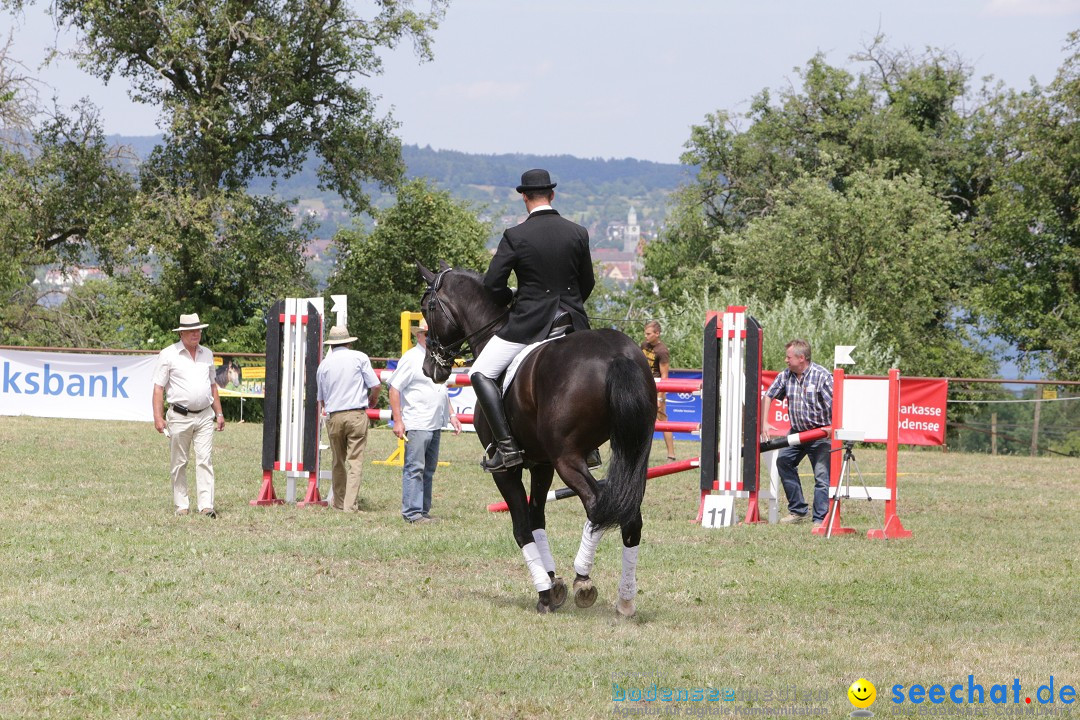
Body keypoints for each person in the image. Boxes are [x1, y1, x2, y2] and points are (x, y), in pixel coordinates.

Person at [469, 168, 595, 472]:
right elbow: (586, 283)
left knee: (480, 373)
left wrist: (511, 296)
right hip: (572, 322)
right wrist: (571, 306)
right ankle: (588, 449)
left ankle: (507, 447)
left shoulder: (516, 235)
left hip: (529, 323)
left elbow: (491, 285)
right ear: (552, 195)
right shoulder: (577, 232)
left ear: (524, 198)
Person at [389, 319, 463, 524]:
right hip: (418, 422)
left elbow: (442, 390)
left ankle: (422, 510)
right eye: (430, 334)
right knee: (415, 468)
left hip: (434, 421)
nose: (434, 338)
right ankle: (413, 513)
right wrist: (398, 420)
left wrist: (452, 415)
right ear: (419, 335)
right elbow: (394, 388)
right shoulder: (411, 358)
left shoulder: (436, 358)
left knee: (428, 469)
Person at [152, 313, 226, 518]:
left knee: (205, 459)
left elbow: (213, 385)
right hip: (179, 415)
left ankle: (206, 506)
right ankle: (181, 505)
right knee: (179, 462)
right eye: (192, 330)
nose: (197, 334)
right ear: (182, 333)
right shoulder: (168, 354)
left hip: (205, 415)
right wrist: (158, 417)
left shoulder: (207, 354)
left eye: (199, 330)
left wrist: (219, 413)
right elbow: (158, 388)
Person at [760, 339, 834, 527]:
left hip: (820, 434)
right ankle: (798, 510)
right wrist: (765, 423)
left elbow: (837, 403)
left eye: (789, 357)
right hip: (798, 432)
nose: (785, 360)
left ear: (802, 358)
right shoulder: (786, 375)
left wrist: (833, 427)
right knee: (783, 461)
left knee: (821, 476)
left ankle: (820, 519)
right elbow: (768, 395)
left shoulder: (822, 376)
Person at [316, 325, 381, 512]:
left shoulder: (324, 365)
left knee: (338, 460)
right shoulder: (360, 358)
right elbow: (375, 385)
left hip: (334, 416)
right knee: (355, 461)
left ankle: (338, 502)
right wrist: (372, 399)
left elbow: (321, 399)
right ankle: (350, 506)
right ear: (349, 343)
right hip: (356, 413)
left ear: (332, 345)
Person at [641, 320, 676, 461]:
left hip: (657, 387)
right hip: (644, 385)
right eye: (645, 333)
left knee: (662, 418)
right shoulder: (644, 345)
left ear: (657, 333)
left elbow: (665, 376)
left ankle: (671, 454)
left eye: (649, 334)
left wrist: (660, 398)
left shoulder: (662, 351)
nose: (646, 336)